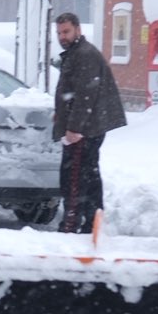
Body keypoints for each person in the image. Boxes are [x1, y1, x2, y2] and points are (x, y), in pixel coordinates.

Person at [51, 13, 127, 233]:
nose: (62, 37)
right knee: (89, 175)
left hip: (85, 129)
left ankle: (72, 223)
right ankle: (92, 221)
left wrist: (74, 128)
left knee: (74, 178)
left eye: (66, 32)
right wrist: (62, 116)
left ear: (78, 29)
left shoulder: (84, 55)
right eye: (59, 33)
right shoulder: (78, 53)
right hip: (90, 126)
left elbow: (86, 95)